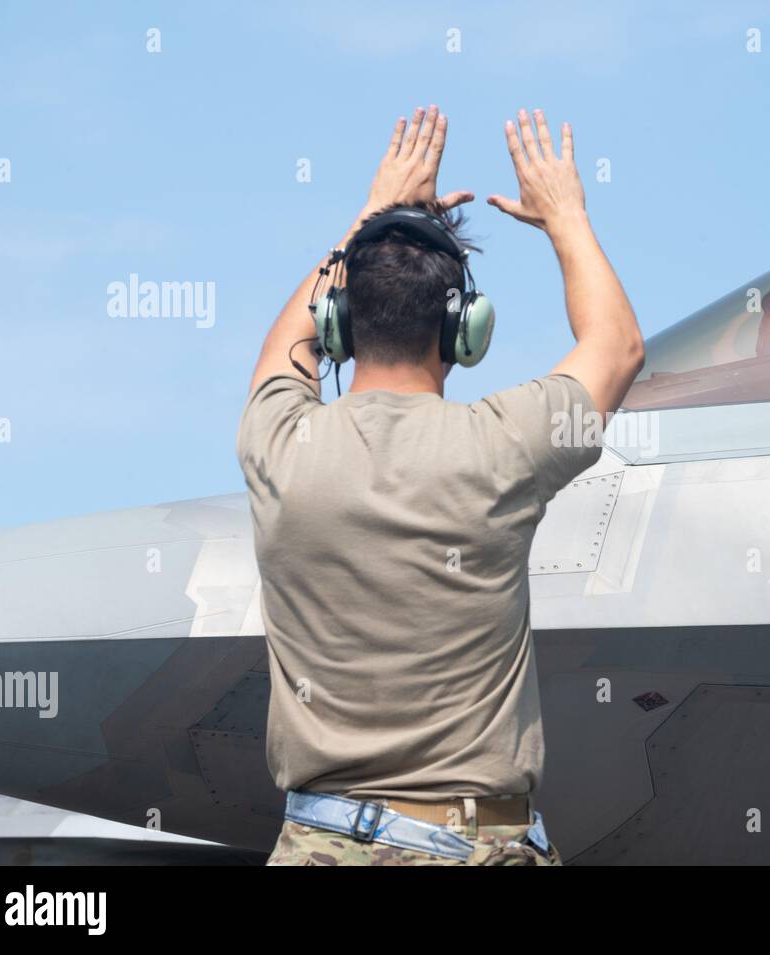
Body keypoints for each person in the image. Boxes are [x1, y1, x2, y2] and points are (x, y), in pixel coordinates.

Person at [236, 105, 645, 865]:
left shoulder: (280, 445)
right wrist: (565, 216)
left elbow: (281, 349)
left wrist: (370, 217)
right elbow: (616, 347)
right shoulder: (502, 447)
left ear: (339, 321)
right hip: (474, 845)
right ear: (467, 330)